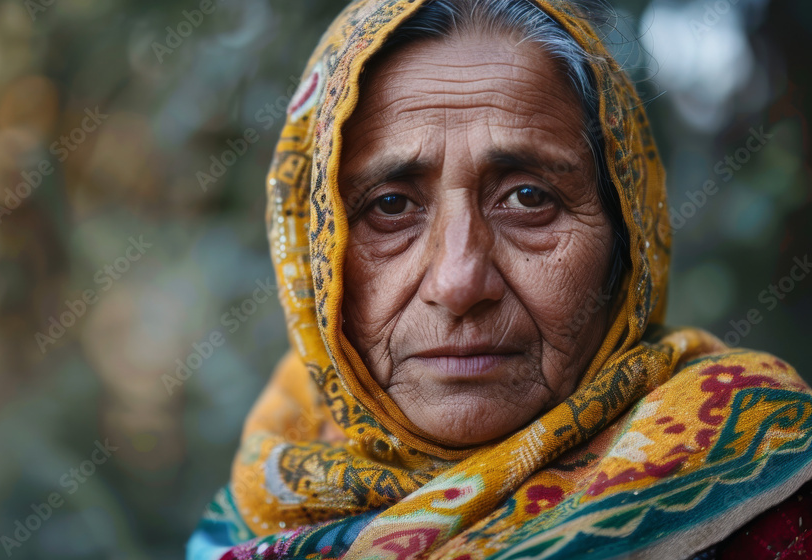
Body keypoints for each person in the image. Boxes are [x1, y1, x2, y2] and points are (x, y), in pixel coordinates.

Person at [188, 0, 812, 558]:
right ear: (313, 261)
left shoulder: (766, 477)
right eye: (390, 206)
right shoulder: (256, 508)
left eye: (528, 197)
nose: (459, 283)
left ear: (629, 240)